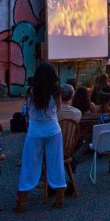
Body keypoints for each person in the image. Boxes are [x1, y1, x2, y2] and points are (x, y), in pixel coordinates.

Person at [15, 63, 66, 212]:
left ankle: (22, 200)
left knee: (29, 163)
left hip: (35, 131)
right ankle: (59, 195)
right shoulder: (56, 91)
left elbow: (28, 109)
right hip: (53, 129)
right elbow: (58, 108)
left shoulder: (31, 91)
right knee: (56, 162)